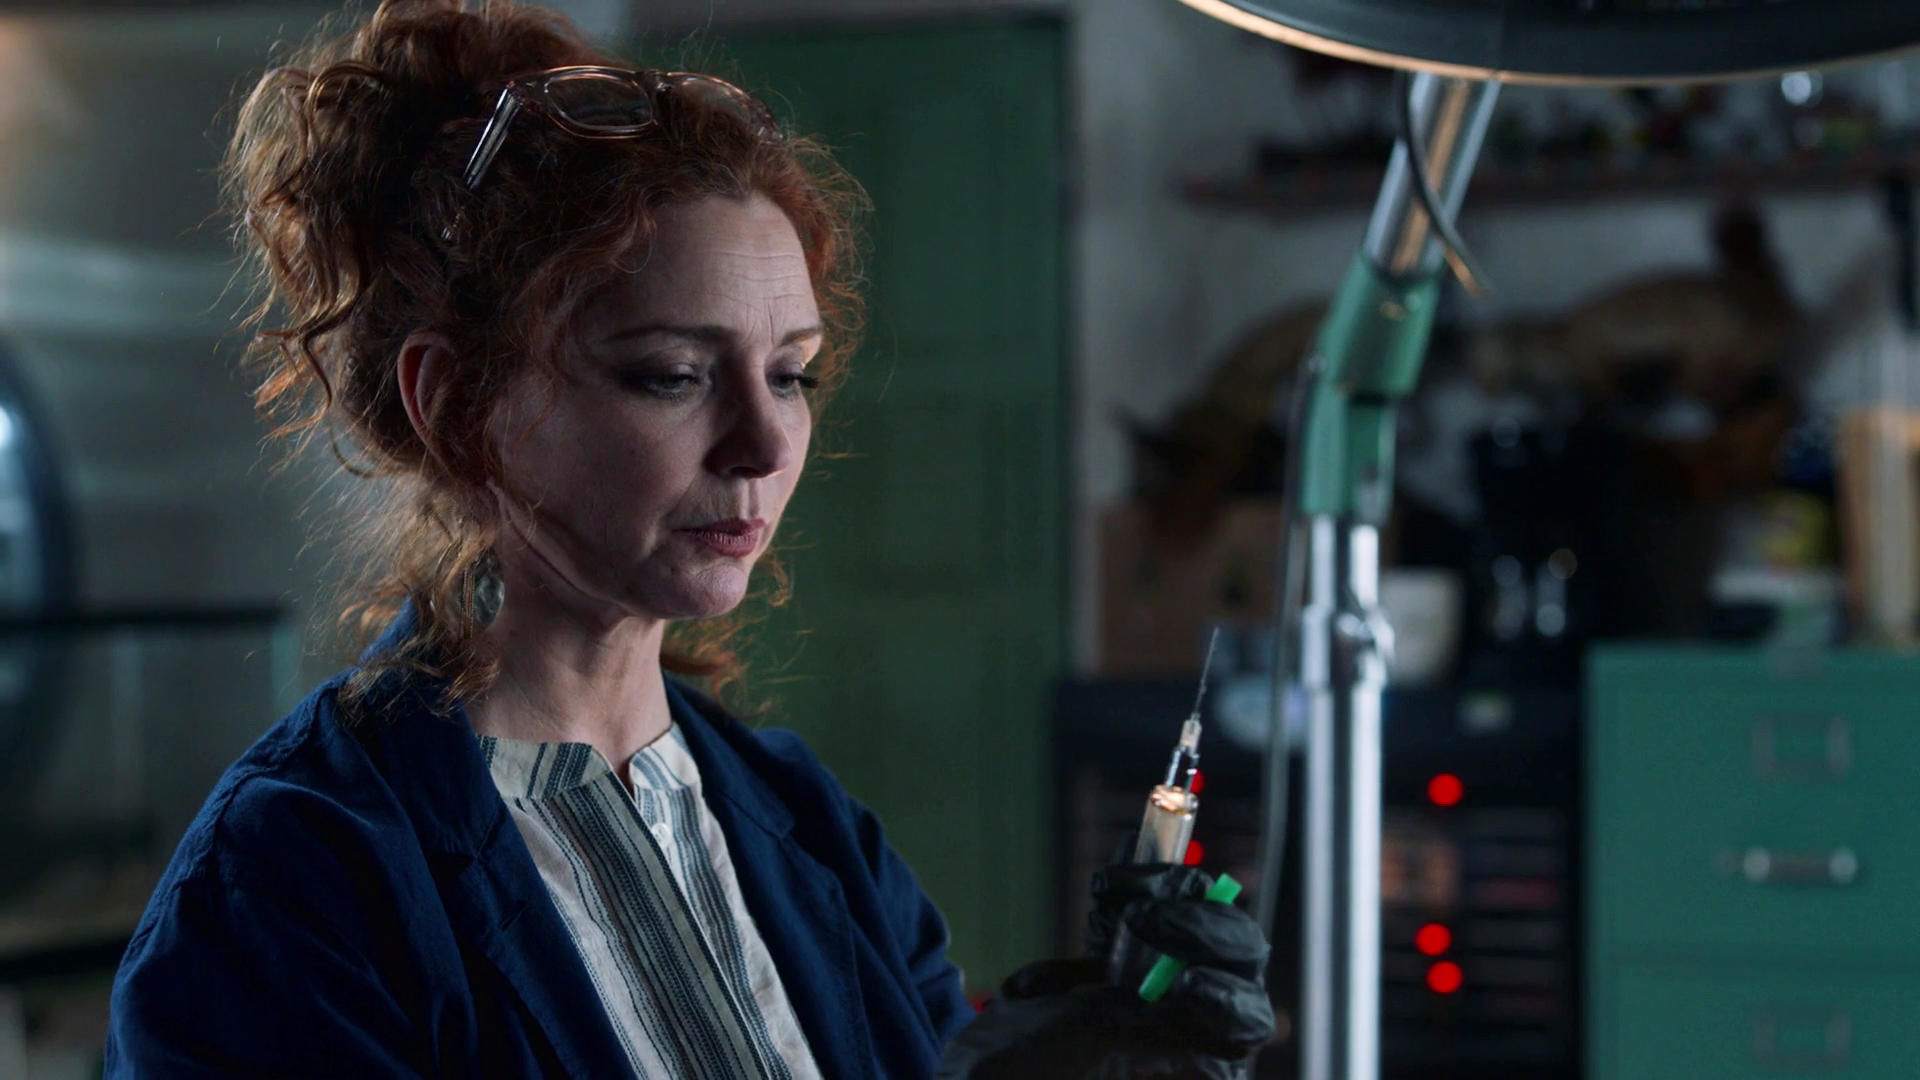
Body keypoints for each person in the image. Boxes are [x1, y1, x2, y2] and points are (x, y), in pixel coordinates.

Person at [104, 1, 1274, 1077]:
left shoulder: (802, 826)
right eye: (673, 374)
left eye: (791, 374)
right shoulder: (292, 885)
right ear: (457, 405)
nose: (763, 445)